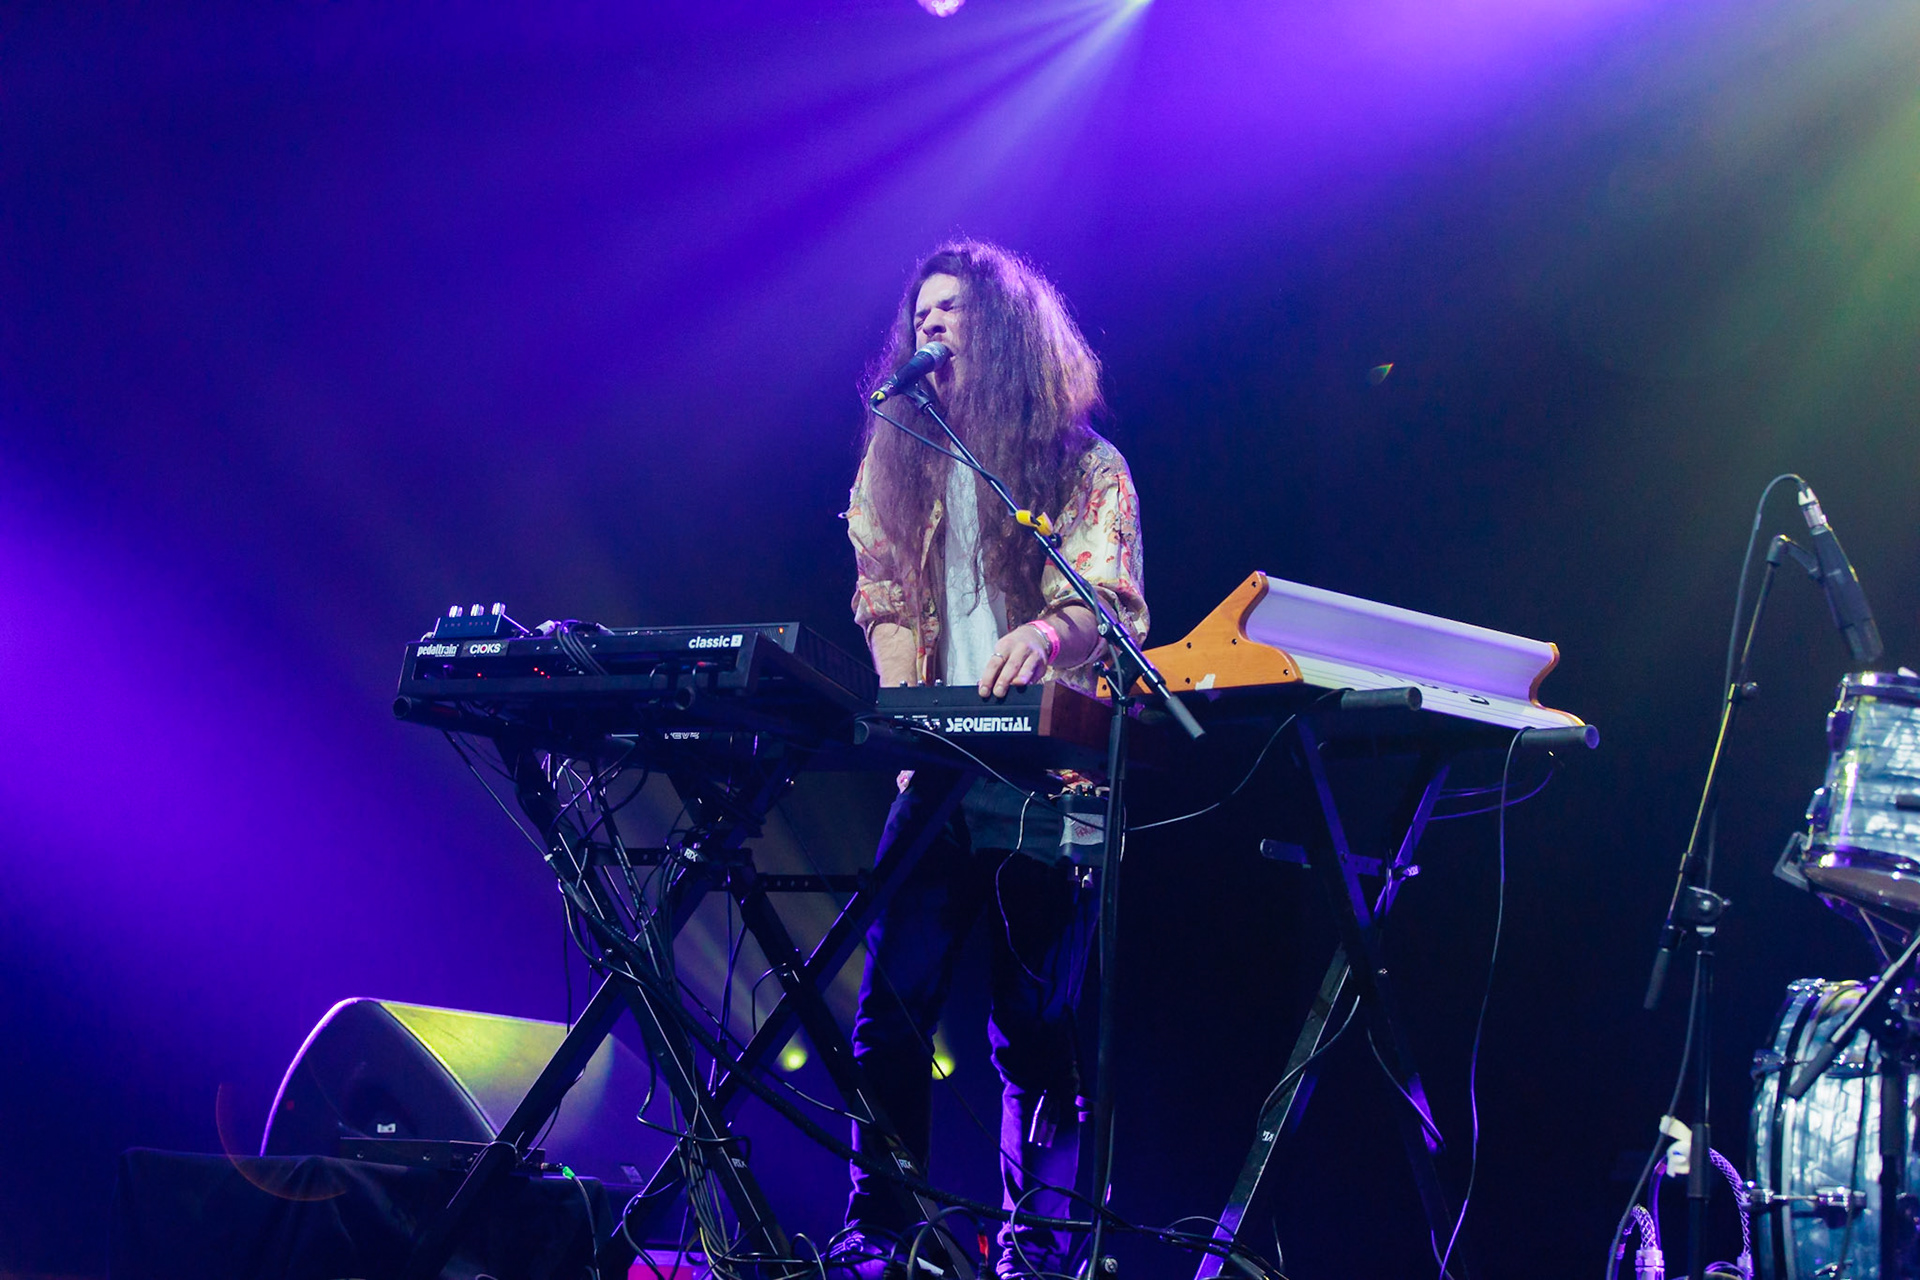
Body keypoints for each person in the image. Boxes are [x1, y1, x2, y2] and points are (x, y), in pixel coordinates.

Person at [831, 240, 1148, 1280]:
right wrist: (904, 704)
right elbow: (880, 586)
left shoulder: (1081, 464)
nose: (929, 326)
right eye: (919, 311)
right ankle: (880, 1231)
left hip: (1047, 776)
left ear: (1004, 332)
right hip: (941, 771)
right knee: (890, 1010)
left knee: (1037, 1029)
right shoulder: (896, 455)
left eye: (952, 311)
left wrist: (1048, 638)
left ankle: (1035, 1251)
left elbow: (1103, 599)